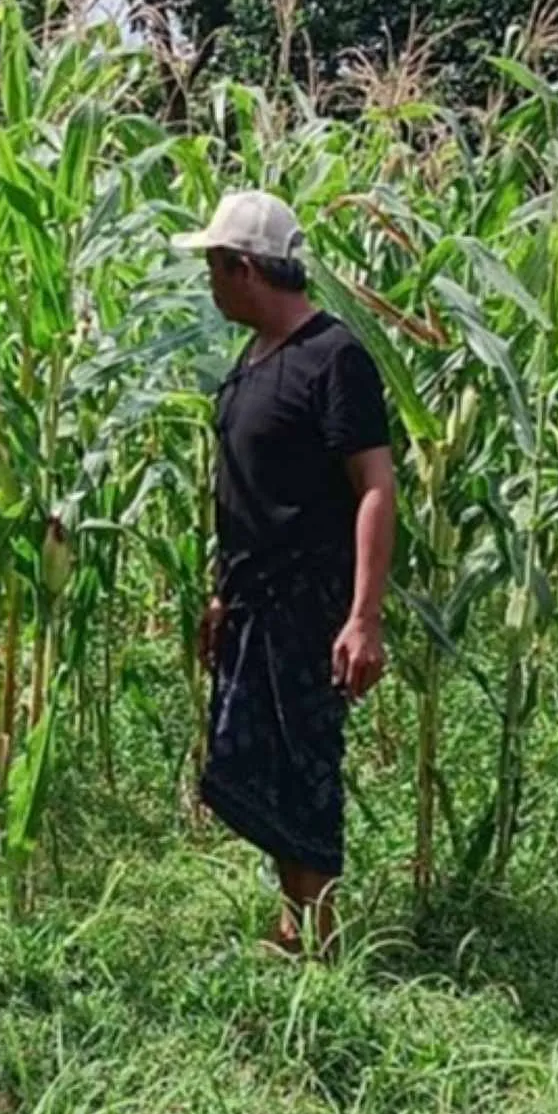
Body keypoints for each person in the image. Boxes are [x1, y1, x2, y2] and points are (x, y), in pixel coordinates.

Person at [171, 190, 397, 959]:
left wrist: (362, 617)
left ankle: (319, 935)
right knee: (258, 761)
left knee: (303, 762)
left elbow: (374, 485)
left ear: (243, 268)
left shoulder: (334, 358)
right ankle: (292, 920)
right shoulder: (256, 356)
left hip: (309, 602)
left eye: (212, 268)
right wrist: (220, 591)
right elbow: (249, 487)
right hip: (251, 598)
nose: (208, 283)